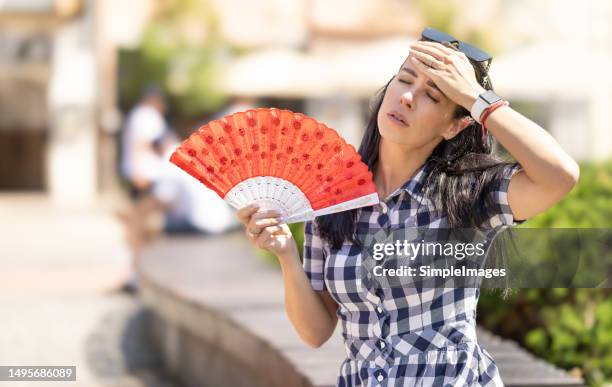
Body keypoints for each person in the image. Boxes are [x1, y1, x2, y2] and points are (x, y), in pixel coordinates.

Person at [236, 27, 579, 386]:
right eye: (404, 80)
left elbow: (560, 176)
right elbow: (315, 331)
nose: (408, 98)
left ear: (454, 126)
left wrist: (477, 98)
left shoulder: (467, 197)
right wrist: (286, 255)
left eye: (433, 95)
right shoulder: (333, 198)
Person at [120, 85, 168, 199]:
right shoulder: (146, 115)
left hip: (144, 170)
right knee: (142, 208)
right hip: (146, 171)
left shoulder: (140, 114)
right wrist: (138, 171)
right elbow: (140, 143)